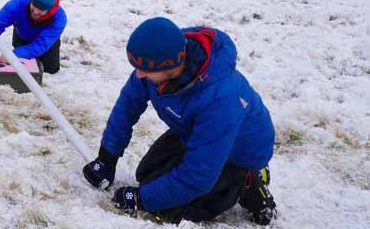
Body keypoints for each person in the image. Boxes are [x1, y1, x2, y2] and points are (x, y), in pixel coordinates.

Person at [82, 17, 277, 225]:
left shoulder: (220, 99)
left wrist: (141, 199)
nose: (138, 75)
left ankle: (248, 181)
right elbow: (127, 106)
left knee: (173, 209)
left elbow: (198, 176)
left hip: (238, 152)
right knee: (146, 175)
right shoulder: (157, 58)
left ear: (171, 66)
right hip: (196, 132)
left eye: (144, 70)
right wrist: (107, 158)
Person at [0, 0, 66, 74]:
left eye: (41, 9)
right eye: (34, 6)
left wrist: (13, 55)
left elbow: (41, 44)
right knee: (19, 70)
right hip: (22, 37)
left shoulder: (59, 18)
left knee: (49, 72)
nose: (35, 11)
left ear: (49, 10)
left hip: (47, 45)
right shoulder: (20, 2)